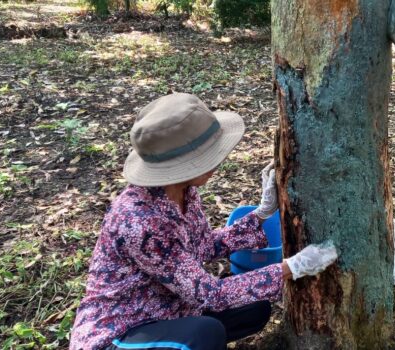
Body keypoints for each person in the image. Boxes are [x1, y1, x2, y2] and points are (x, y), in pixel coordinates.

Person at [70, 93, 338, 350]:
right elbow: (211, 294)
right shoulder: (141, 222)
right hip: (121, 332)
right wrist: (292, 267)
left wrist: (261, 214)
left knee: (254, 309)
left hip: (172, 306)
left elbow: (203, 246)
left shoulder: (184, 191)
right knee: (204, 335)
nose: (218, 161)